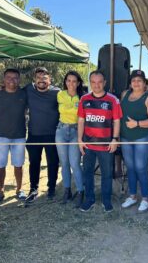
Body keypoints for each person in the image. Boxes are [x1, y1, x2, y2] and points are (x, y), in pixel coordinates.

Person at [77, 70, 122, 212]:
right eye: (93, 82)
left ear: (105, 83)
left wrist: (115, 139)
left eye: (99, 82)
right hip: (88, 145)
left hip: (106, 146)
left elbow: (116, 121)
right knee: (88, 173)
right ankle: (89, 199)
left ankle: (106, 200)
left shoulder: (112, 100)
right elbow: (81, 120)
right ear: (90, 83)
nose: (96, 85)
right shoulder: (84, 99)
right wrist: (79, 140)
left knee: (107, 174)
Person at [120, 70, 148, 212]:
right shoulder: (125, 95)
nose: (136, 83)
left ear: (144, 83)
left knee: (140, 167)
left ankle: (145, 198)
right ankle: (132, 196)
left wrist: (137, 123)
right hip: (125, 136)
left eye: (139, 80)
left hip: (143, 136)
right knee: (130, 167)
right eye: (133, 80)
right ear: (130, 83)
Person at [25, 67, 60, 202]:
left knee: (53, 162)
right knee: (34, 162)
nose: (41, 80)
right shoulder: (28, 90)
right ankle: (33, 189)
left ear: (49, 80)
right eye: (39, 78)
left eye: (44, 78)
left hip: (52, 134)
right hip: (34, 134)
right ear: (35, 79)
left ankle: (51, 188)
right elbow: (14, 92)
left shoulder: (57, 92)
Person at [0, 68, 27, 204]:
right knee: (0, 166)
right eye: (8, 77)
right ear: (4, 79)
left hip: (19, 135)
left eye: (15, 78)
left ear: (19, 80)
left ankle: (19, 190)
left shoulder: (24, 94)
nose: (11, 80)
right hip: (0, 135)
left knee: (18, 165)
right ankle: (0, 192)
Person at [55, 71, 84, 207]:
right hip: (61, 131)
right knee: (64, 163)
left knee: (75, 163)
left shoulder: (83, 97)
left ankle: (80, 191)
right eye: (68, 80)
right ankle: (67, 191)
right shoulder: (60, 94)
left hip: (75, 131)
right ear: (65, 81)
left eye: (74, 81)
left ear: (78, 83)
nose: (71, 84)